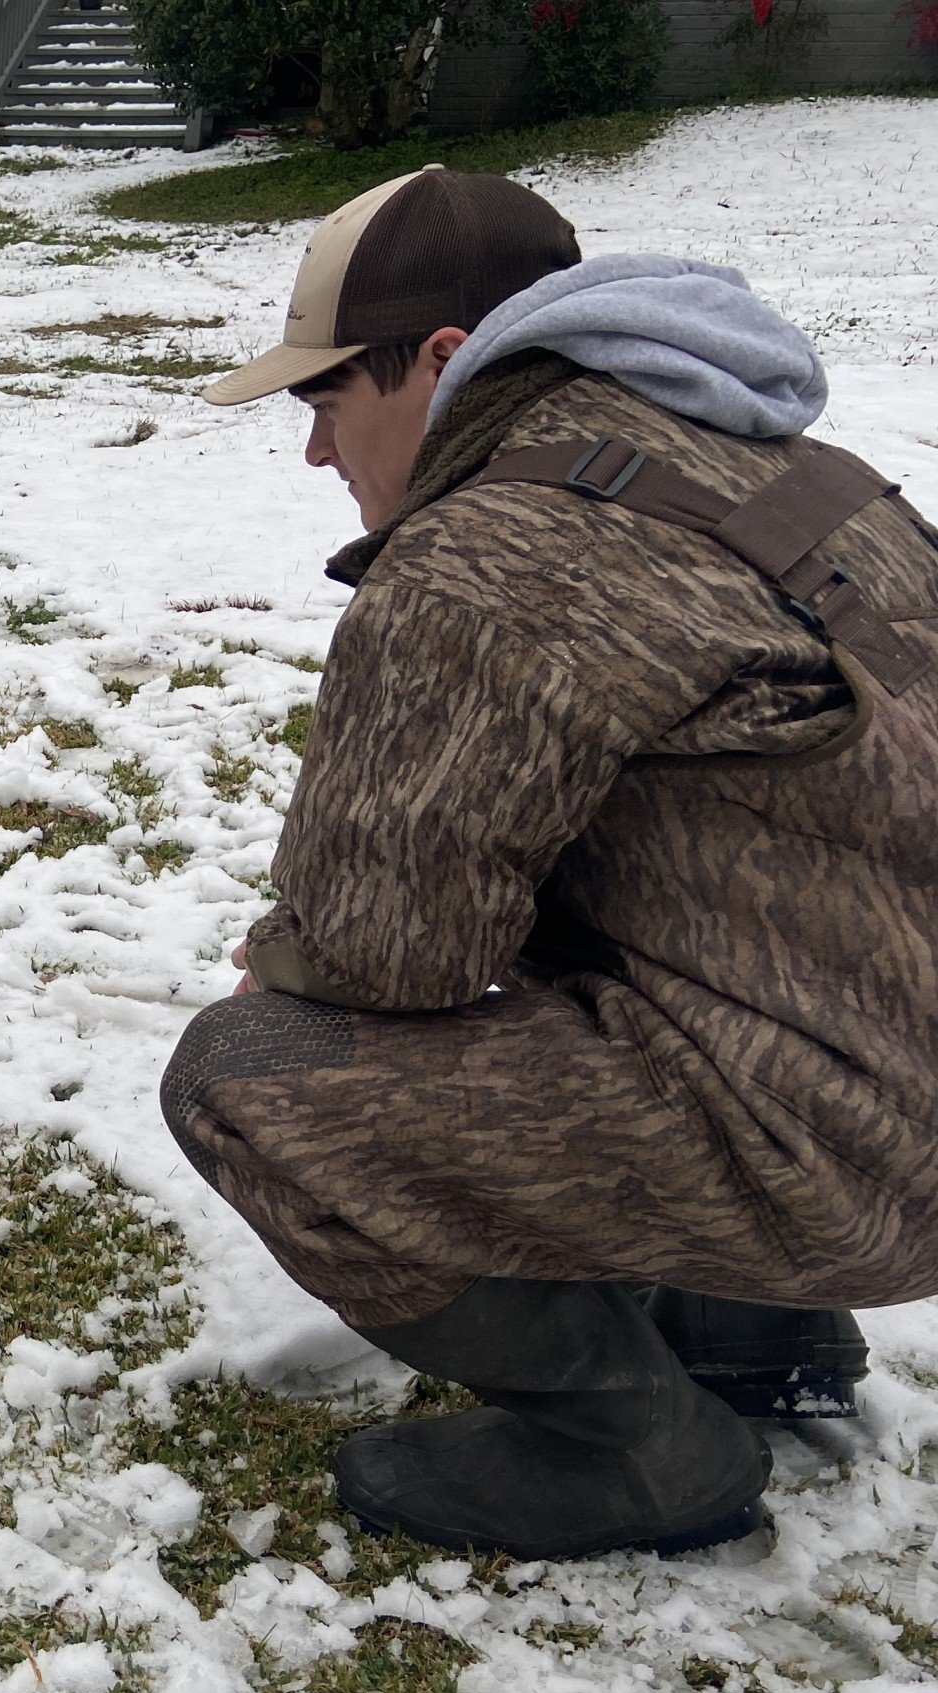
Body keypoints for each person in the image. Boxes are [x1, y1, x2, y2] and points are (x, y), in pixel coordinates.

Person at [171, 166, 938, 1559]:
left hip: (858, 1156)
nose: (315, 455)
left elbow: (387, 957)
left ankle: (636, 1452)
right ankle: (749, 1325)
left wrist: (294, 957)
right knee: (630, 888)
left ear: (446, 362)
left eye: (326, 399)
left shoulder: (488, 552)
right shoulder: (795, 470)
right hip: (879, 1080)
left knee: (246, 1082)